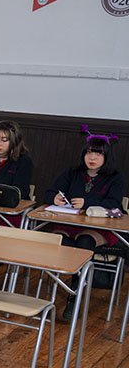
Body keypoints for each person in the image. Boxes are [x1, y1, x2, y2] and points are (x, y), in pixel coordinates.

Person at [43, 132, 125, 319]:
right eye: (89, 153)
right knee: (60, 241)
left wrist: (87, 203)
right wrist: (54, 198)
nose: (92, 158)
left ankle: (75, 295)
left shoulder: (115, 177)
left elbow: (115, 204)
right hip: (70, 224)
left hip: (99, 228)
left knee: (84, 242)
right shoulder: (72, 172)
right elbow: (49, 193)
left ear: (106, 156)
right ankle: (56, 293)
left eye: (98, 154)